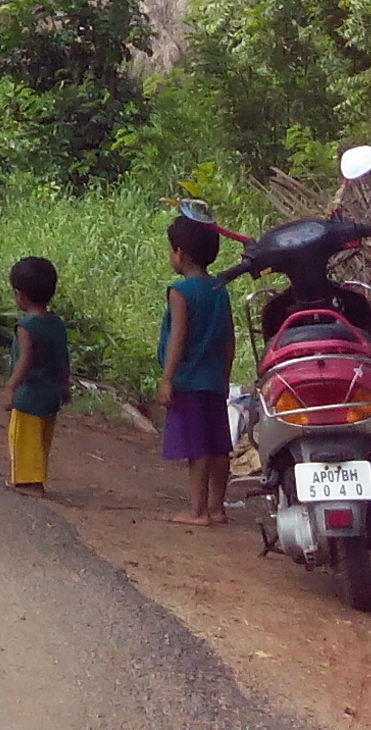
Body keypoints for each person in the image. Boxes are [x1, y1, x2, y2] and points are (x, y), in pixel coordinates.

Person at [159, 211, 234, 525]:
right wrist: (226, 376)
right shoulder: (220, 289)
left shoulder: (181, 291)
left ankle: (197, 510)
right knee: (219, 445)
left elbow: (178, 337)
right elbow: (230, 338)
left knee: (197, 447)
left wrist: (167, 379)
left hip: (188, 379)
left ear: (180, 253)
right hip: (214, 380)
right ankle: (217, 507)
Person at [4, 256, 68, 496]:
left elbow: (25, 360)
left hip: (29, 394)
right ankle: (36, 478)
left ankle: (29, 482)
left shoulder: (26, 326)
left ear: (20, 295)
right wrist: (65, 385)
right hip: (51, 393)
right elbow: (63, 357)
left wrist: (11, 387)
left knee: (23, 438)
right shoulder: (56, 323)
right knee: (41, 439)